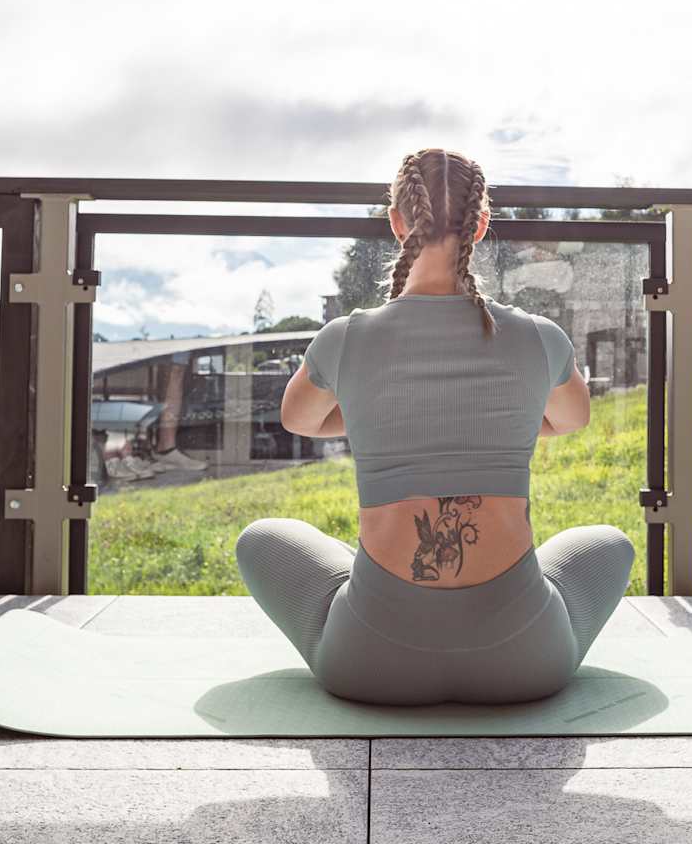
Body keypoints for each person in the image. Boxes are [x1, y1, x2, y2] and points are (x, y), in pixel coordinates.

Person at [235, 147, 634, 705]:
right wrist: (509, 422)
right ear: (481, 224)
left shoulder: (345, 337)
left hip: (371, 663)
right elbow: (571, 419)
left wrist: (376, 413)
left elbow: (299, 419)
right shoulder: (539, 335)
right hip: (525, 661)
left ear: (397, 222)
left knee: (261, 537)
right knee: (609, 542)